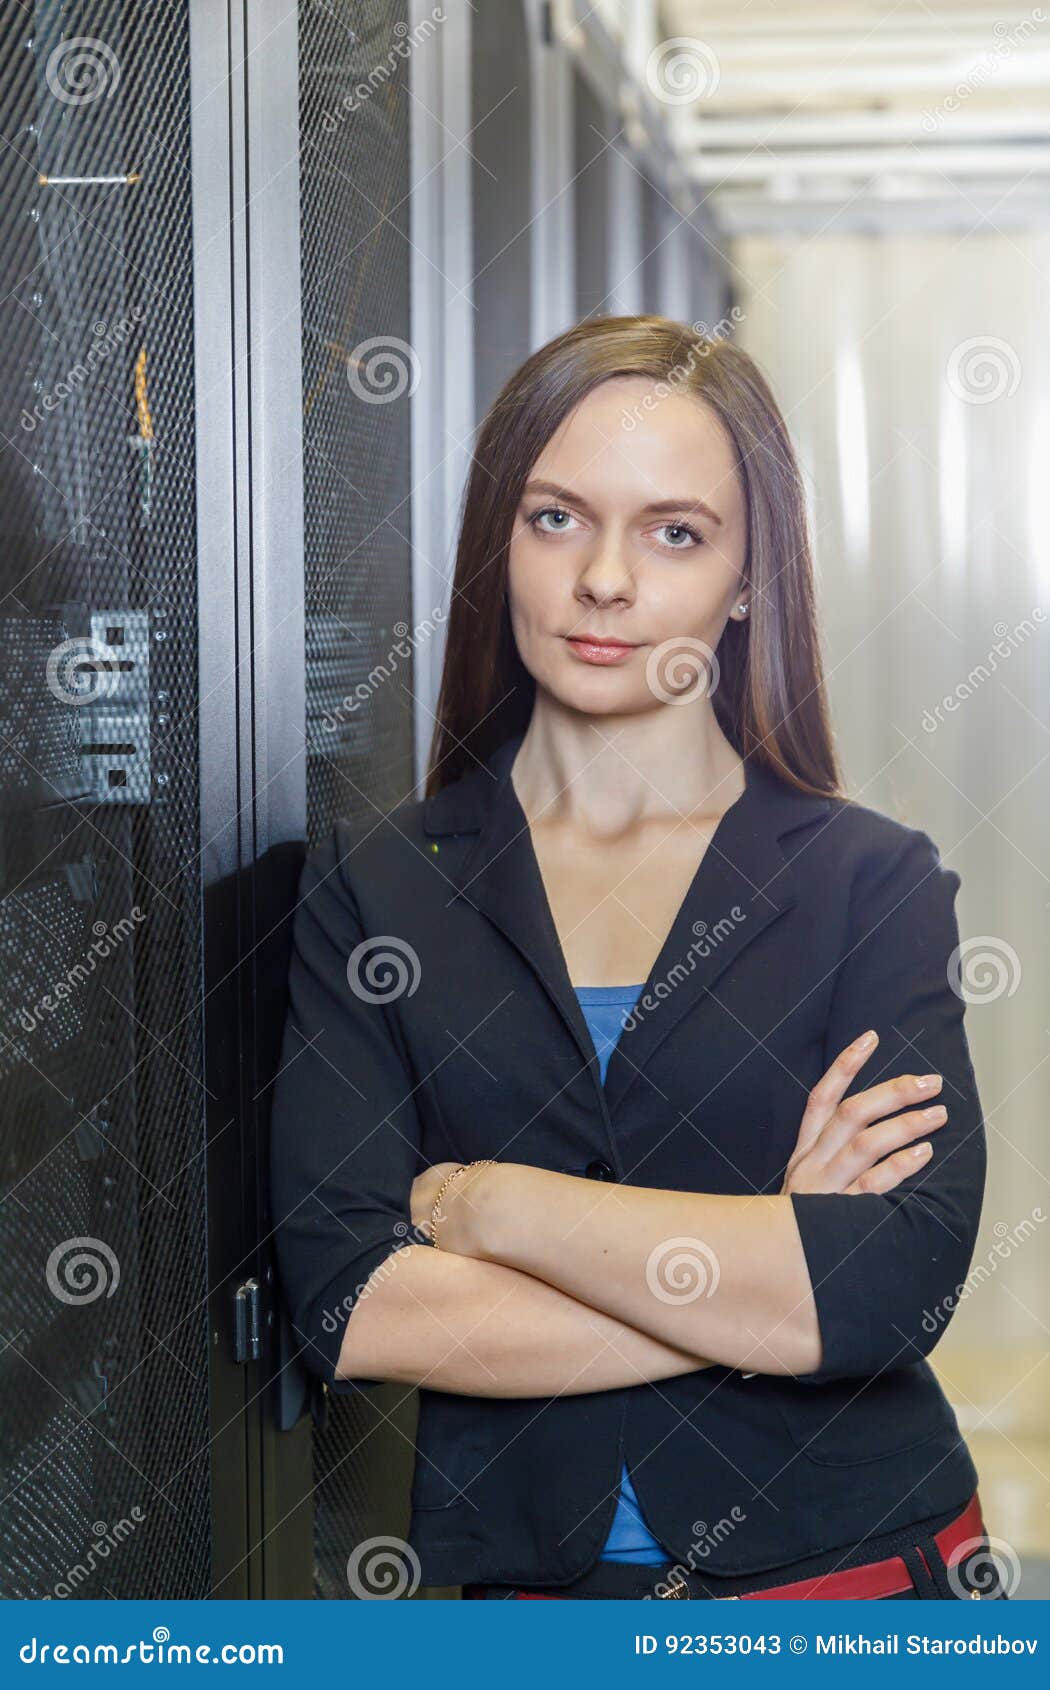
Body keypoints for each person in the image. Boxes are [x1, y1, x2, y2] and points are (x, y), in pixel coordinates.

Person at [270, 316, 1002, 1601]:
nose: (604, 578)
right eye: (555, 517)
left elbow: (889, 1286)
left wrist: (489, 1209)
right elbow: (353, 1303)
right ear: (499, 543)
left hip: (844, 1579)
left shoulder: (868, 882)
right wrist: (766, 1268)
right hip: (525, 1596)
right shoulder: (377, 881)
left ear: (745, 578)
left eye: (674, 531)